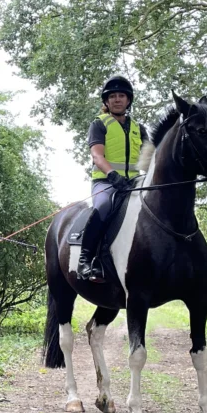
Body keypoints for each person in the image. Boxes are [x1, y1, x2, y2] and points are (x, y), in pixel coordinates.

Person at [76, 75, 143, 282]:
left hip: (134, 183)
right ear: (106, 101)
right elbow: (97, 155)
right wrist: (112, 175)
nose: (117, 99)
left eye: (121, 95)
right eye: (112, 96)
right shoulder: (99, 124)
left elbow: (149, 157)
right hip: (106, 183)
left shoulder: (138, 128)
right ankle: (85, 261)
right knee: (103, 207)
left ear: (128, 100)